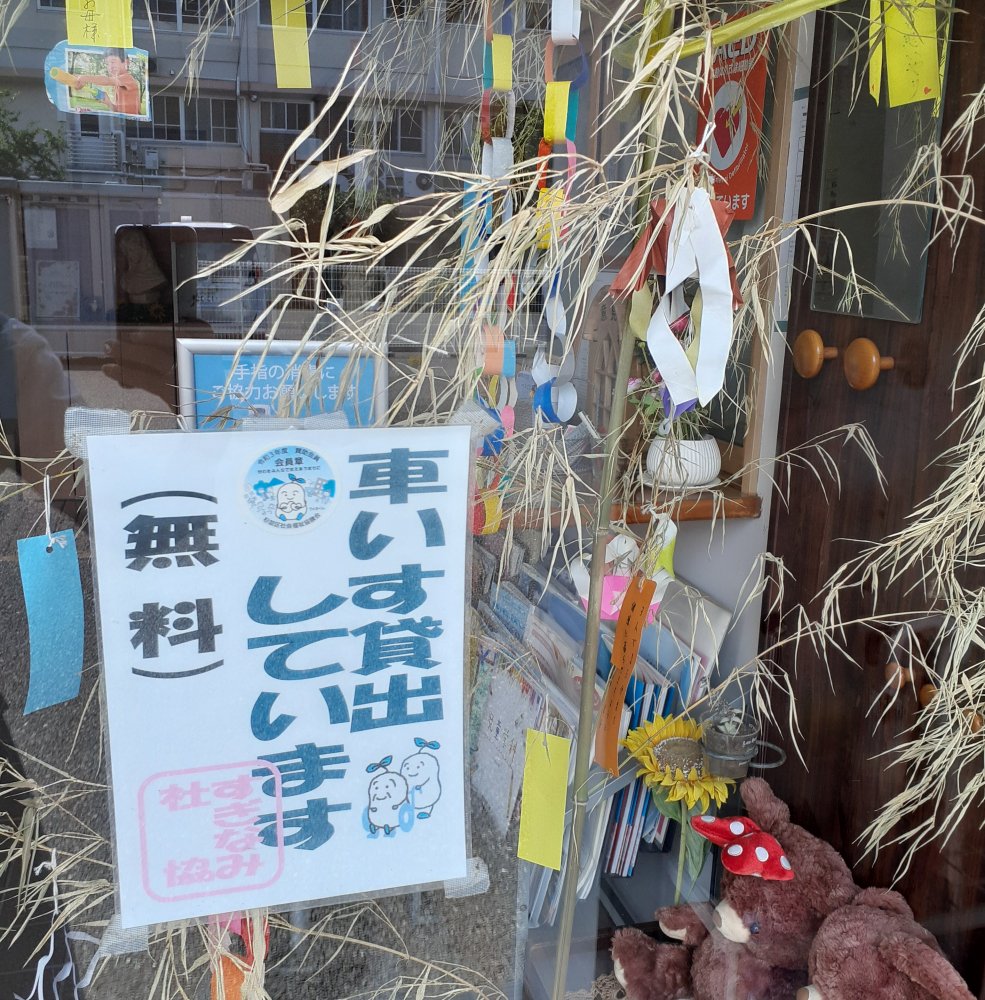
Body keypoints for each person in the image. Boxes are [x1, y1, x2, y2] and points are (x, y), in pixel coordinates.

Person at [70, 49, 141, 117]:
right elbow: (118, 112)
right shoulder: (118, 84)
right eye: (107, 64)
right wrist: (108, 102)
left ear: (126, 62)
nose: (110, 67)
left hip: (133, 122)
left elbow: (107, 80)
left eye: (113, 62)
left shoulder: (127, 78)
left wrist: (83, 78)